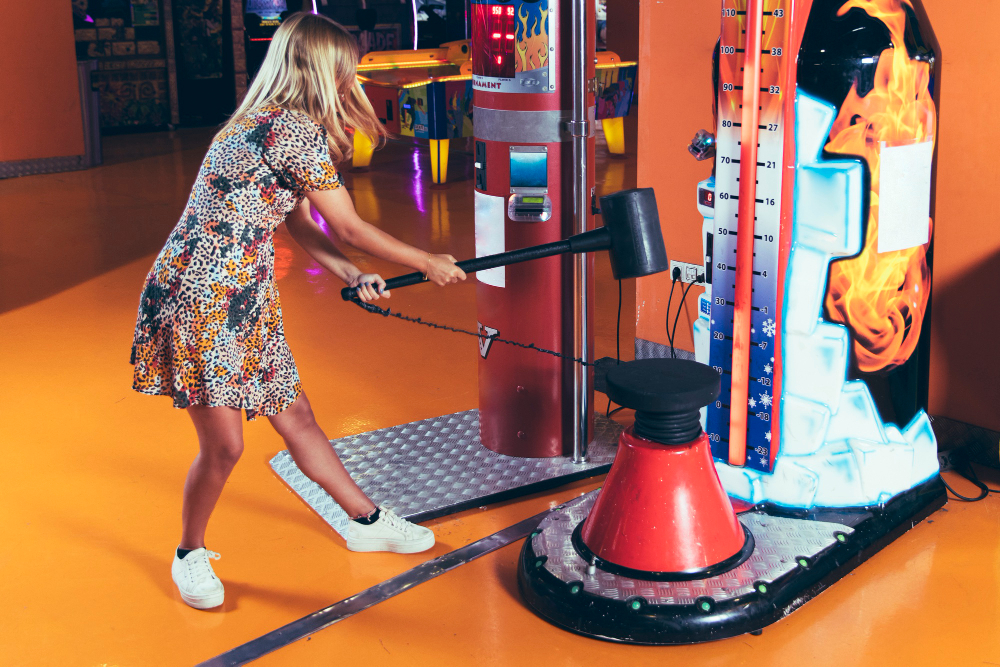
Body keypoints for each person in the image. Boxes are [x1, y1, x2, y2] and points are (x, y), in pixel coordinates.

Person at [129, 12, 466, 611]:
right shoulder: (290, 131)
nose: (350, 80)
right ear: (320, 69)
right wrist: (426, 260)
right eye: (345, 69)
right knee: (225, 446)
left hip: (241, 294)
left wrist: (351, 274)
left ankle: (365, 522)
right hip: (201, 297)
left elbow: (300, 223)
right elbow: (349, 227)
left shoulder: (258, 122)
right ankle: (188, 553)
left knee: (298, 417)